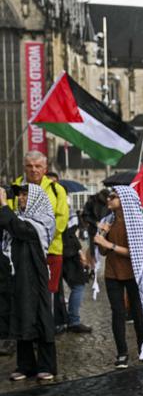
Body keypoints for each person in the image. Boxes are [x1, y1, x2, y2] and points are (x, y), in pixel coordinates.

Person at [95, 185, 143, 368]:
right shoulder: (107, 220)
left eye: (113, 196)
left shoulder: (136, 221)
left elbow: (135, 252)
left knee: (138, 311)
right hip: (112, 273)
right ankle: (122, 353)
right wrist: (103, 236)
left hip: (133, 272)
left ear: (124, 200)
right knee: (117, 312)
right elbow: (102, 251)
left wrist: (109, 244)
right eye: (109, 196)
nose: (109, 199)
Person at [1, 183, 57, 381]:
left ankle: (47, 365)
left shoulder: (44, 220)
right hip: (19, 275)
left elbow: (21, 230)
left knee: (41, 316)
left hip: (36, 274)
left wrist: (4, 205)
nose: (21, 198)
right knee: (21, 315)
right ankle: (25, 366)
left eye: (25, 194)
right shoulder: (16, 217)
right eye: (20, 195)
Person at [11, 152, 68, 323]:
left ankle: (46, 328)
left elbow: (61, 220)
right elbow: (12, 217)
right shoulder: (14, 187)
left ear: (45, 168)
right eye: (29, 166)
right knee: (23, 292)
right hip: (21, 250)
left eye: (38, 166)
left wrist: (37, 237)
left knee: (48, 293)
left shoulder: (56, 189)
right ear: (24, 167)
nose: (33, 169)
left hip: (51, 250)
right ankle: (26, 329)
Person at [60, 210, 92, 333]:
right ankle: (73, 321)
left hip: (60, 252)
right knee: (78, 285)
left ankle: (61, 320)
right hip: (69, 254)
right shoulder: (66, 212)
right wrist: (79, 252)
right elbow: (69, 234)